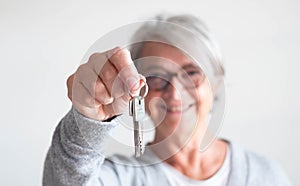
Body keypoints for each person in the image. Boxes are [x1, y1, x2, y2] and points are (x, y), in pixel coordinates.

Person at [43, 14, 291, 186]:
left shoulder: (264, 174)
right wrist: (87, 122)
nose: (175, 92)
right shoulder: (122, 177)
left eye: (191, 73)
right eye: (157, 77)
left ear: (215, 82)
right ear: (140, 89)